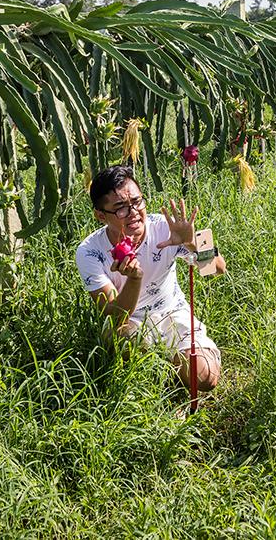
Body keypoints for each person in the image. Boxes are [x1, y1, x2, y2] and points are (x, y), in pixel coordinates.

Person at [76, 165, 226, 391]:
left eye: (137, 202)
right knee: (121, 339)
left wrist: (192, 243)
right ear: (100, 215)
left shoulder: (167, 228)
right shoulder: (88, 251)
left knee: (205, 379)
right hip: (131, 321)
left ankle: (175, 366)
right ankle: (162, 374)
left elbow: (218, 269)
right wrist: (134, 279)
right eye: (120, 208)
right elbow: (115, 317)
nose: (134, 212)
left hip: (172, 312)